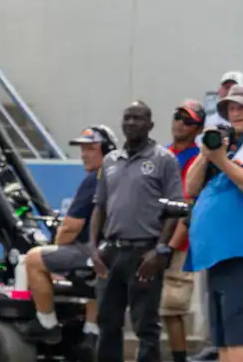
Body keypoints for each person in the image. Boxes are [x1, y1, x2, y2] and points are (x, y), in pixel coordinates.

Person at [88, 101, 184, 362]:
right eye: (127, 118)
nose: (131, 123)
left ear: (150, 125)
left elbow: (175, 210)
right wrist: (93, 247)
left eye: (138, 118)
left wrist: (160, 250)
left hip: (145, 254)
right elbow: (100, 207)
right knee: (107, 323)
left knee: (146, 327)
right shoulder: (110, 161)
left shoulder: (164, 160)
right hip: (111, 254)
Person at [185, 84, 243, 362]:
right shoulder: (231, 149)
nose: (236, 112)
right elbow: (191, 186)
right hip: (221, 258)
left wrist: (221, 161)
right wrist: (206, 153)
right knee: (225, 343)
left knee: (242, 340)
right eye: (231, 107)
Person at [23, 125, 116, 345]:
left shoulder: (95, 179)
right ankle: (91, 331)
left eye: (90, 149)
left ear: (105, 149)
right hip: (113, 252)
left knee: (34, 258)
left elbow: (71, 227)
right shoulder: (119, 174)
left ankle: (46, 324)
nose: (84, 155)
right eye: (82, 149)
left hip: (93, 253)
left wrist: (58, 249)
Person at [162, 100, 204, 362]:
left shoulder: (198, 160)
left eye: (188, 120)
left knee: (172, 308)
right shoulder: (162, 153)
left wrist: (171, 245)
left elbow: (189, 208)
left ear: (198, 129)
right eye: (178, 116)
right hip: (154, 239)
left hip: (179, 244)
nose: (180, 123)